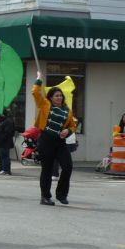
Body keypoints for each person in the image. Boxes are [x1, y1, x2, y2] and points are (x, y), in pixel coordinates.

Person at [33, 71, 77, 205]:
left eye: (60, 96)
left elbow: (74, 125)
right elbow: (35, 92)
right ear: (51, 97)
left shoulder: (67, 110)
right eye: (56, 96)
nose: (59, 98)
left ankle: (61, 195)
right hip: (46, 140)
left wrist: (68, 130)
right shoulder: (45, 104)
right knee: (47, 169)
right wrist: (39, 79)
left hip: (60, 142)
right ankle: (45, 197)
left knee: (68, 166)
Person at [0, 110, 15, 175]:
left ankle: (6, 170)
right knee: (0, 157)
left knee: (4, 156)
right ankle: (1, 169)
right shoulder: (1, 121)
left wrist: (0, 139)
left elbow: (8, 133)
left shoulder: (8, 121)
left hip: (4, 143)